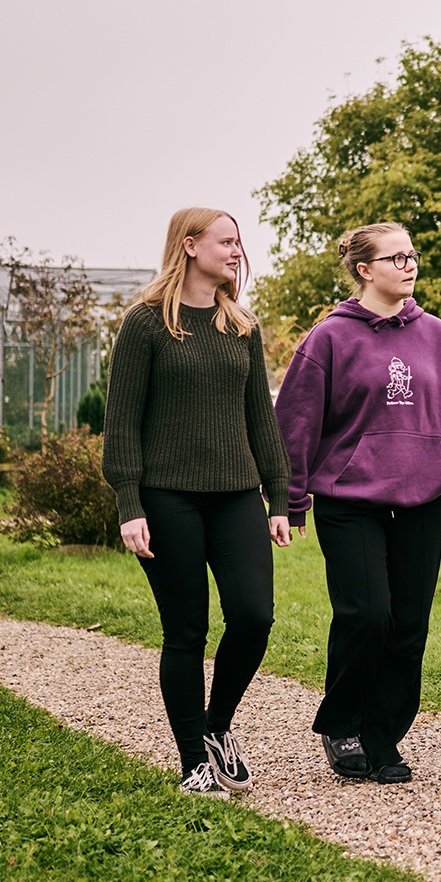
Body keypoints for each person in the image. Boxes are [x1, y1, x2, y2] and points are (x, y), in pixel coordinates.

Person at [275, 223, 441, 786]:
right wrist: (290, 499)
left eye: (412, 256)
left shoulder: (436, 334)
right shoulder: (329, 338)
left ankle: (382, 734)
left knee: (409, 624)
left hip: (422, 497)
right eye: (397, 258)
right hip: (350, 499)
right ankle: (341, 723)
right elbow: (294, 421)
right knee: (368, 614)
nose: (410, 265)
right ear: (365, 269)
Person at [103, 208, 293, 798]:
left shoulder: (241, 325)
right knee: (186, 631)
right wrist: (129, 502)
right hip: (166, 500)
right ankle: (193, 764)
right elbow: (123, 422)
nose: (237, 251)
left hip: (236, 495)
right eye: (226, 240)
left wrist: (279, 496)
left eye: (239, 242)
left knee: (253, 617)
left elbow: (261, 418)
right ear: (189, 246)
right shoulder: (146, 324)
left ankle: (217, 727)